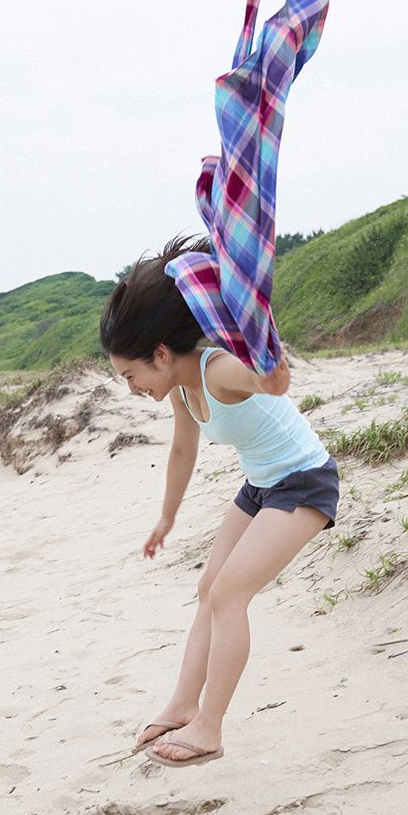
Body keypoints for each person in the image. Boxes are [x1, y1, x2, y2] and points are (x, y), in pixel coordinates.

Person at [100, 236, 340, 768]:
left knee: (230, 593)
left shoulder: (214, 371)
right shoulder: (182, 387)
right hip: (261, 485)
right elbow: (182, 450)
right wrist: (166, 518)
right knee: (209, 588)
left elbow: (267, 381)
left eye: (131, 375)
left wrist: (271, 369)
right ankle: (184, 704)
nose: (132, 387)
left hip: (304, 481)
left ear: (161, 354)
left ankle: (209, 726)